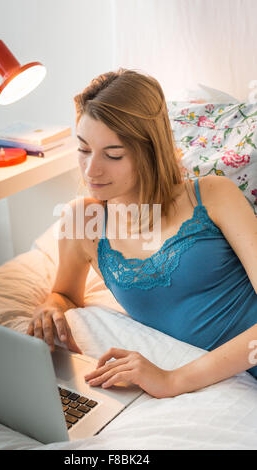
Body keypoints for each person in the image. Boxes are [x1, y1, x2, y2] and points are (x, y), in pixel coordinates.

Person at [27, 68, 257, 398]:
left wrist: (173, 379)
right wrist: (50, 307)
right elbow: (65, 293)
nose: (92, 170)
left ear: (151, 151)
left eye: (113, 154)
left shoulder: (212, 195)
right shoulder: (83, 221)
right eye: (83, 149)